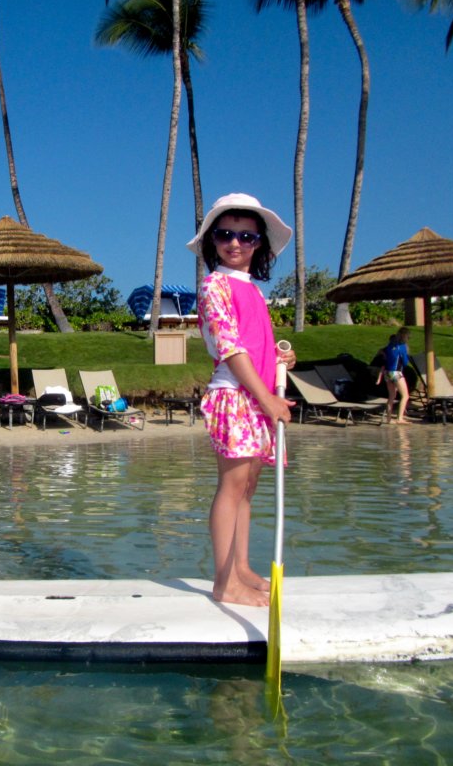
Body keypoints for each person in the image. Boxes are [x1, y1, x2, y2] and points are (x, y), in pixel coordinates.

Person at [187, 193, 296, 607]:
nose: (235, 243)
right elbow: (230, 349)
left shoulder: (255, 292)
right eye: (226, 234)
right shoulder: (214, 284)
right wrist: (266, 398)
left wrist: (282, 358)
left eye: (246, 236)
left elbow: (255, 342)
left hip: (257, 395)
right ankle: (223, 581)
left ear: (259, 244)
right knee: (232, 486)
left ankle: (242, 568)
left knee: (248, 487)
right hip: (235, 395)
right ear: (213, 240)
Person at [382, 327, 411, 425]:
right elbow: (405, 362)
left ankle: (389, 419)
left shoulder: (390, 345)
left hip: (387, 372)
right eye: (408, 336)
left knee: (391, 396)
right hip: (396, 373)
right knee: (405, 395)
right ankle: (400, 418)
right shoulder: (402, 346)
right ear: (405, 336)